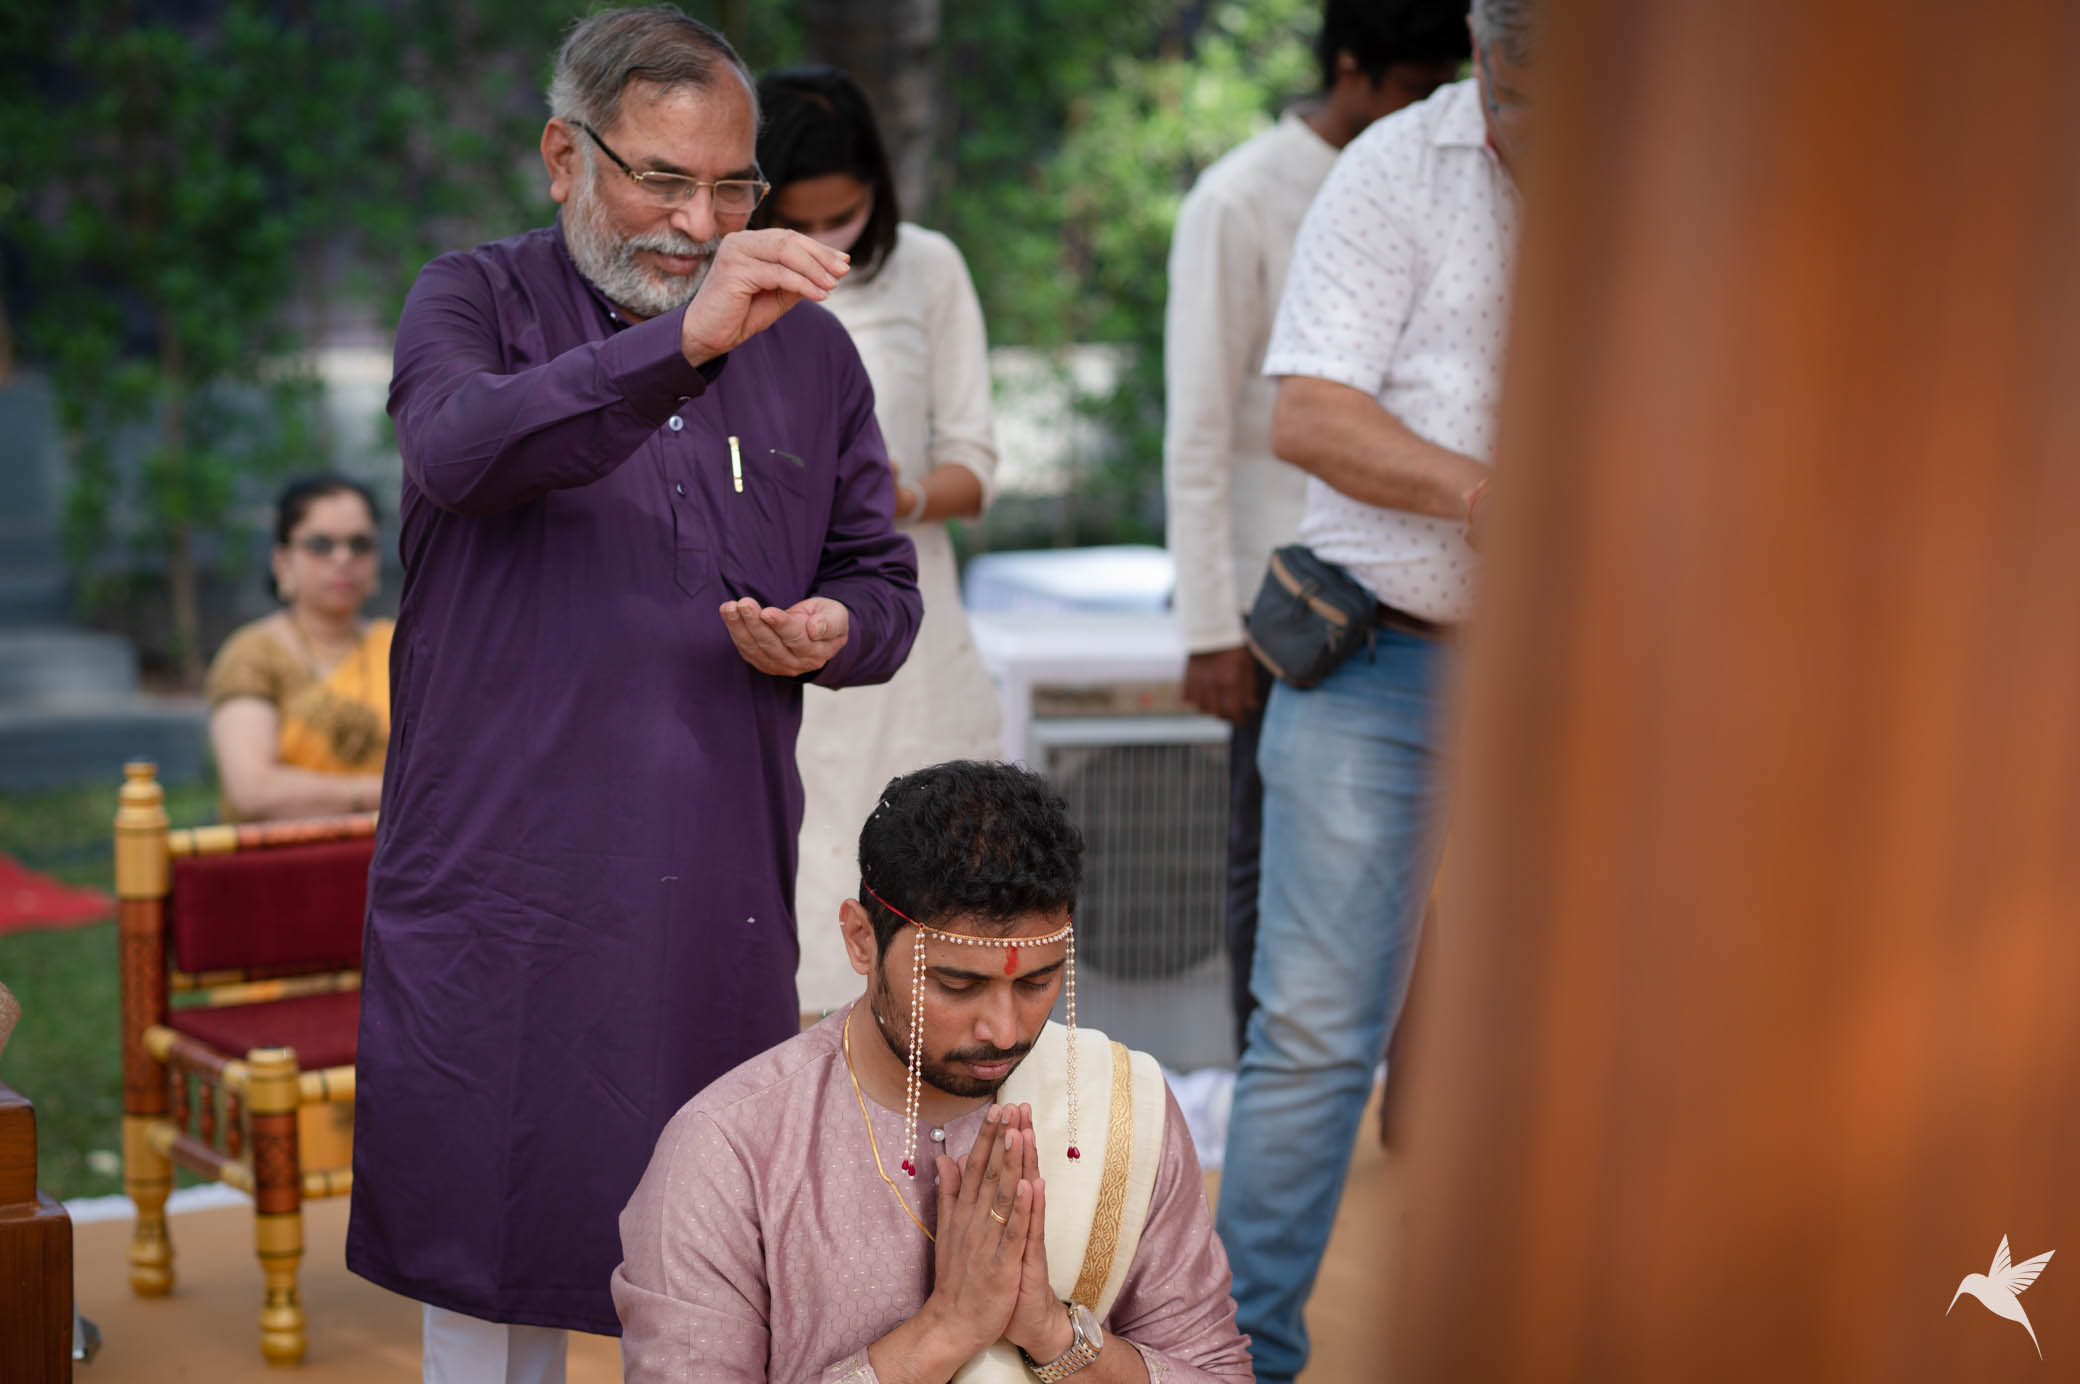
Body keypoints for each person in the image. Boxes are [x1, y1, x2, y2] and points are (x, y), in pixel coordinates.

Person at [344, 9, 923, 1380]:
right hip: (503, 886)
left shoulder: (809, 350)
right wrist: (684, 345)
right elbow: (460, 450)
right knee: (491, 1254)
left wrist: (833, 625)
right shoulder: (471, 300)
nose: (698, 224)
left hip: (707, 886)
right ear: (563, 156)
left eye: (732, 187)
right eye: (661, 180)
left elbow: (882, 580)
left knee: (709, 1251)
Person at [1212, 2, 1537, 1380]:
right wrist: (1491, 495)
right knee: (1312, 1034)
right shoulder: (1397, 167)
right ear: (1480, 48)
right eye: (1513, 96)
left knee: (1589, 1026)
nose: (1532, 136)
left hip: (1595, 678)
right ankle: (1237, 1355)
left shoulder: (1688, 175)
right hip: (1382, 658)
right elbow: (1311, 414)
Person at [614, 759, 1254, 1382]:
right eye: (957, 985)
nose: (1004, 1030)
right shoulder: (729, 1152)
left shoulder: (1119, 1105)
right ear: (861, 939)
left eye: (1037, 982)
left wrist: (1055, 1336)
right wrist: (944, 1331)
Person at [1163, 0, 1468, 1055]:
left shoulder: (1455, 179)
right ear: (1350, 69)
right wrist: (1210, 628)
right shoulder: (1240, 197)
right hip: (1284, 600)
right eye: (1417, 87)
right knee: (1273, 865)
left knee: (1437, 880)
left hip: (1422, 585)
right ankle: (1268, 1092)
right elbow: (1199, 426)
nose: (1437, 109)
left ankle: (1417, 1106)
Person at [750, 67, 1006, 1022]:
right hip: (773, 632)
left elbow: (975, 467)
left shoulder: (928, 269)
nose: (824, 242)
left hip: (902, 638)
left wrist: (895, 496)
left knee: (936, 922)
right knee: (788, 929)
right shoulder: (721, 283)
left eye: (845, 219)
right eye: (799, 222)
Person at [204, 474, 391, 822]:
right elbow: (252, 790)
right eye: (320, 545)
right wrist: (389, 794)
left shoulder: (402, 647)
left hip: (395, 848)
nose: (343, 558)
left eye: (360, 544)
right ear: (282, 562)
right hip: (284, 851)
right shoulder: (253, 654)